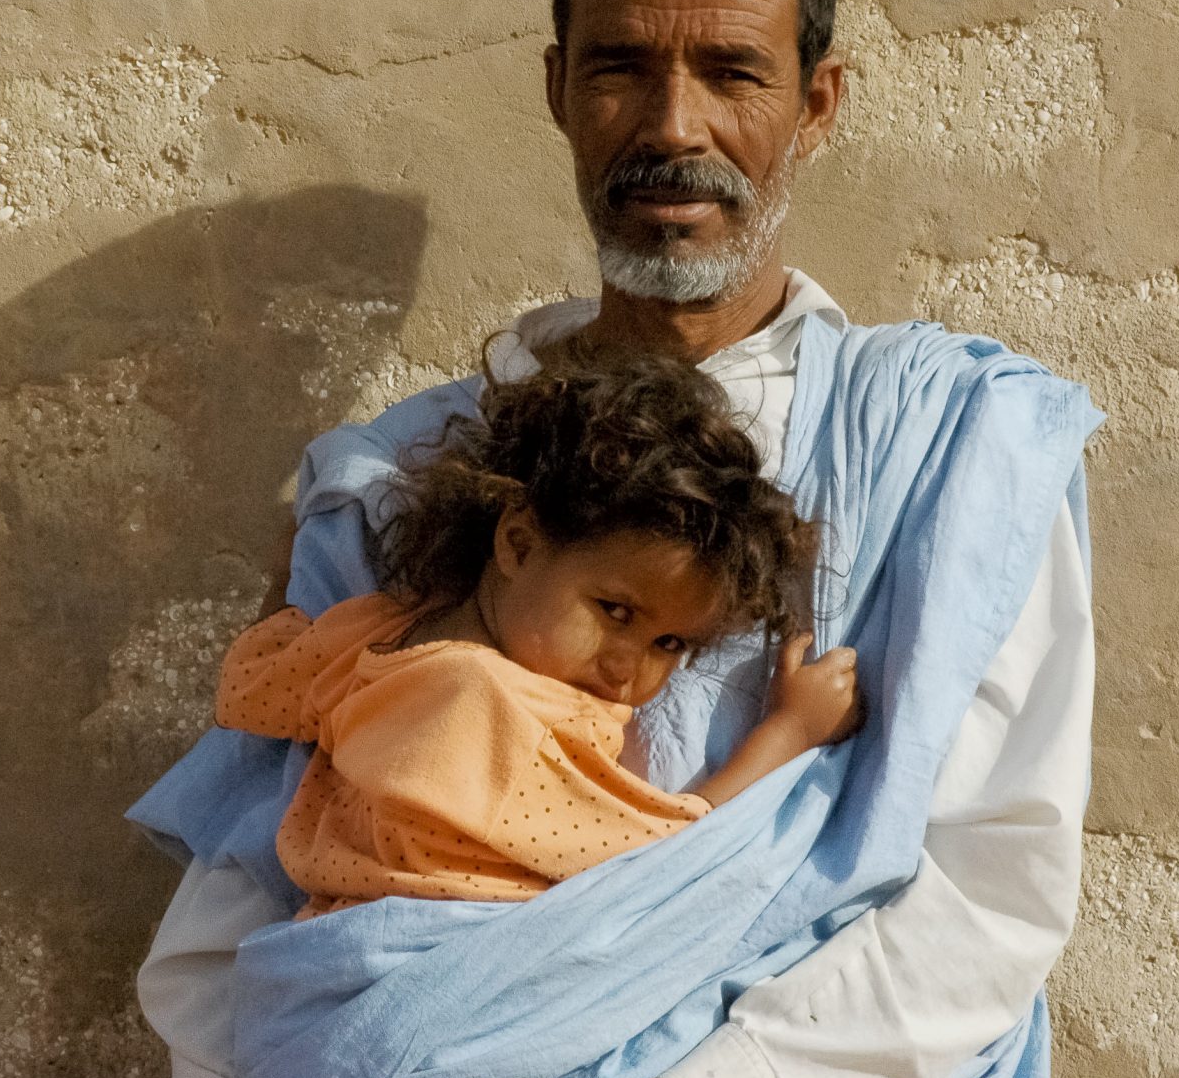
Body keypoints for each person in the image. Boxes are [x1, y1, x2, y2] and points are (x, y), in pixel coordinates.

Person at [133, 0, 1098, 1078]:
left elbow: (992, 887)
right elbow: (247, 908)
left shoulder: (955, 450)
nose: (672, 127)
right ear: (557, 90)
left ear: (816, 104)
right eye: (621, 68)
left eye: (733, 73)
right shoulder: (394, 482)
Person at [211, 351, 859, 919]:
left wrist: (293, 570)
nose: (627, 663)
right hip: (439, 949)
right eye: (616, 610)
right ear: (518, 543)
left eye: (671, 644)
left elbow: (249, 684)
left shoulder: (373, 630)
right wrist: (789, 731)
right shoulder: (490, 711)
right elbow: (659, 860)